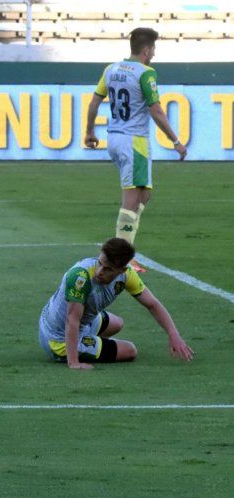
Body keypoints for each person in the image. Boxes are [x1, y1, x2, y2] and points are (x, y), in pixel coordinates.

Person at [84, 27, 187, 254]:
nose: (154, 54)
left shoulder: (111, 69)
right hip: (134, 141)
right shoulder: (145, 72)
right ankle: (119, 257)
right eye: (153, 49)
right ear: (146, 49)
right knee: (131, 200)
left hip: (114, 138)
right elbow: (156, 111)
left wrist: (90, 132)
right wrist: (175, 140)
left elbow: (93, 103)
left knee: (144, 194)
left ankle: (125, 244)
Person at [38, 237, 194, 369]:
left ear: (122, 270)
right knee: (130, 350)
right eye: (99, 263)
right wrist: (74, 363)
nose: (100, 271)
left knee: (117, 323)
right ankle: (82, 346)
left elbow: (152, 304)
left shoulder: (127, 276)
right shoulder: (80, 277)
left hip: (80, 323)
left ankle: (90, 343)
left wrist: (174, 335)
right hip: (57, 338)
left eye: (108, 269)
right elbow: (72, 320)